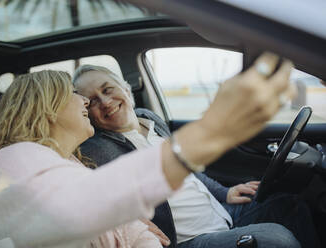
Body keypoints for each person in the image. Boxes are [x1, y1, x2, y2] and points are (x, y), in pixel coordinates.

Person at [0, 53, 299, 248]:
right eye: (79, 96)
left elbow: (85, 205)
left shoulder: (62, 160)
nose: (87, 102)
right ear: (47, 108)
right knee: (277, 239)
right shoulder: (17, 156)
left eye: (103, 92)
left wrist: (131, 219)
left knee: (289, 204)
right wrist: (210, 132)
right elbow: (80, 208)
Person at [73, 59, 318, 248]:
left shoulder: (149, 119)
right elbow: (92, 201)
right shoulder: (95, 149)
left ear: (126, 89)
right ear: (87, 112)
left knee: (290, 204)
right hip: (189, 239)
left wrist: (225, 192)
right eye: (92, 101)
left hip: (220, 213)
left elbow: (188, 168)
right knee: (278, 240)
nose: (105, 102)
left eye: (108, 89)